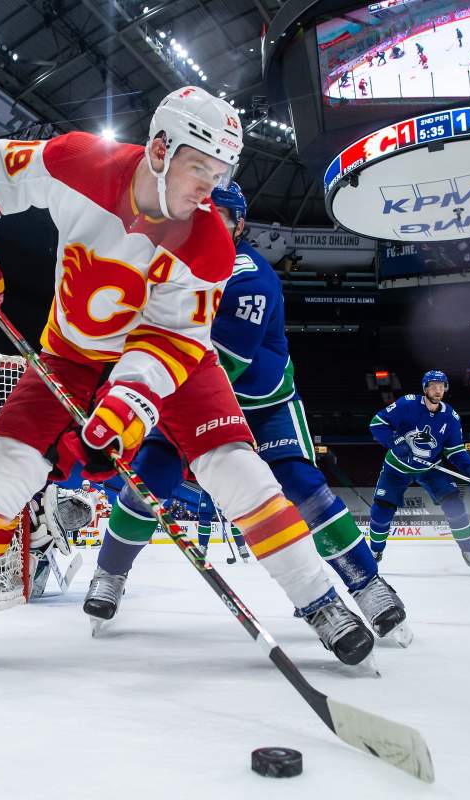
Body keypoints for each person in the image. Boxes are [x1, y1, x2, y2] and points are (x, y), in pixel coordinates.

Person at [0, 86, 373, 668]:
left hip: (175, 360)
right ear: (159, 149)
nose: (211, 187)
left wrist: (126, 408)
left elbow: (171, 341)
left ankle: (321, 601)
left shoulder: (209, 245)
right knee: (4, 466)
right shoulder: (80, 163)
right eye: (200, 167)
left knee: (239, 473)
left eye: (221, 171)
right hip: (71, 355)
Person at [86, 183, 408, 642]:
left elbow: (227, 364)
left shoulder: (249, 276)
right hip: (183, 400)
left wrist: (136, 397)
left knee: (301, 486)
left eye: (220, 215)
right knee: (147, 482)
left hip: (261, 405)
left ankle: (367, 584)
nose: (208, 221)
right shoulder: (165, 264)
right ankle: (110, 575)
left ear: (238, 225)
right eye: (201, 212)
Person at [367, 371, 470, 574]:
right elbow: (377, 424)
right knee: (381, 510)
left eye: (442, 386)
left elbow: (456, 451)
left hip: (430, 468)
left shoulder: (450, 417)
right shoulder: (407, 404)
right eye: (433, 386)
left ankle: (469, 552)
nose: (438, 390)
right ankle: (375, 552)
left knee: (455, 505)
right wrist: (396, 442)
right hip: (397, 467)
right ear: (425, 388)